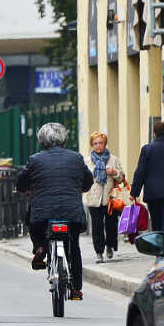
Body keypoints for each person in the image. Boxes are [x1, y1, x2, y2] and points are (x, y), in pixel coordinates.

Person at [16, 122, 94, 301]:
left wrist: (23, 188)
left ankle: (40, 247)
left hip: (43, 214)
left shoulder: (35, 160)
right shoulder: (76, 158)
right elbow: (88, 180)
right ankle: (76, 289)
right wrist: (80, 187)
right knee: (74, 246)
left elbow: (21, 182)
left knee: (33, 221)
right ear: (64, 139)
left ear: (41, 140)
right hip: (72, 213)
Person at [83, 131, 126, 263]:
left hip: (110, 199)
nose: (98, 146)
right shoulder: (87, 161)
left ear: (105, 144)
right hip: (93, 198)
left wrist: (114, 172)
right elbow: (83, 179)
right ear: (92, 145)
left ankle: (109, 246)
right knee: (97, 226)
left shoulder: (113, 159)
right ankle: (99, 252)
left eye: (100, 143)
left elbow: (122, 179)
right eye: (95, 143)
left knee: (111, 224)